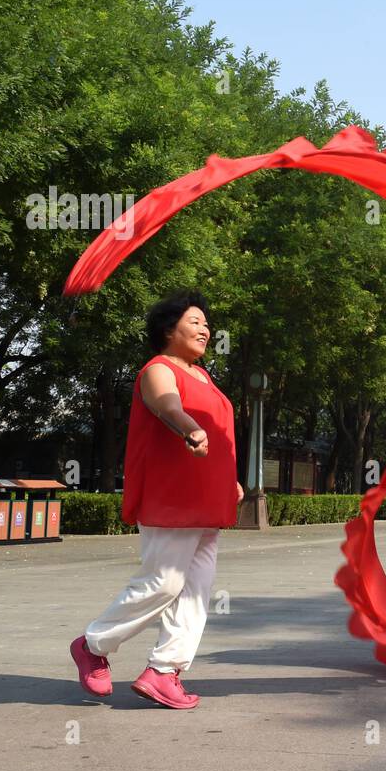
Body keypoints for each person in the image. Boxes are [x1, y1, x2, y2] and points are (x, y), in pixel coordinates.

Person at [71, 292, 240, 710]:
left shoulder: (205, 377)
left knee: (197, 590)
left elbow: (218, 436)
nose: (205, 329)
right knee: (164, 581)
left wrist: (229, 479)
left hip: (206, 498)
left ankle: (165, 671)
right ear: (169, 328)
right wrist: (188, 428)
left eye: (206, 324)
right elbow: (167, 405)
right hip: (172, 496)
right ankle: (92, 645)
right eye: (196, 321)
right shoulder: (157, 370)